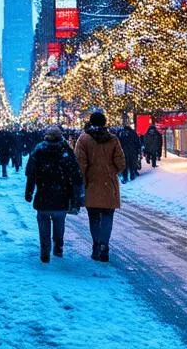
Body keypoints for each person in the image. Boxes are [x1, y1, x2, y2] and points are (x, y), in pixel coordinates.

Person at [24, 126, 82, 263]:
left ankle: (45, 250)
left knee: (43, 223)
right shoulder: (66, 151)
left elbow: (30, 174)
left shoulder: (39, 151)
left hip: (43, 194)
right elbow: (76, 176)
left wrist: (29, 192)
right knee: (59, 222)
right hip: (61, 195)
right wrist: (75, 198)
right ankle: (58, 246)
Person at [75, 111, 125, 263]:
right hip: (109, 184)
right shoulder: (113, 139)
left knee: (94, 217)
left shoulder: (84, 139)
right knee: (108, 217)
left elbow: (80, 164)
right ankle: (105, 243)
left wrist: (84, 178)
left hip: (92, 184)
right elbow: (121, 163)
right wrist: (110, 172)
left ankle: (96, 244)